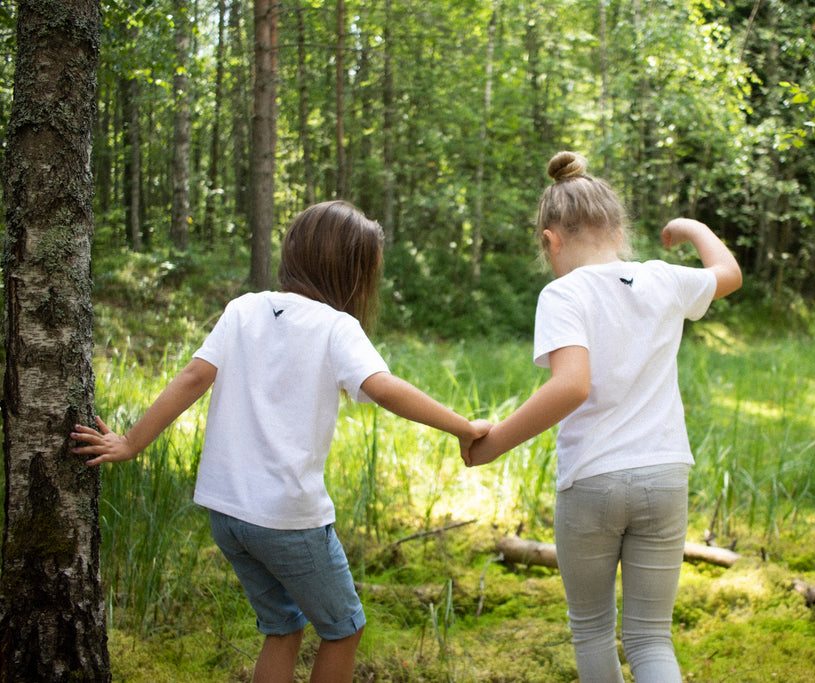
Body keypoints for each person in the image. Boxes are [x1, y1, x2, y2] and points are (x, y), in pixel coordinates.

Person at [72, 200, 491, 683]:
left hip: (226, 513)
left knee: (282, 626)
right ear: (351, 272)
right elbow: (384, 388)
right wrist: (463, 426)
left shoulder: (242, 309)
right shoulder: (337, 327)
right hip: (288, 519)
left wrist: (130, 443)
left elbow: (192, 377)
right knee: (343, 629)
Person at [466, 151, 742, 683]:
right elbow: (727, 273)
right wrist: (691, 227)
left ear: (550, 240)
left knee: (593, 631)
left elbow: (571, 385)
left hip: (592, 481)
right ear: (620, 231)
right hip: (664, 475)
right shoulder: (663, 279)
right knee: (651, 639)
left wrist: (493, 442)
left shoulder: (563, 293)